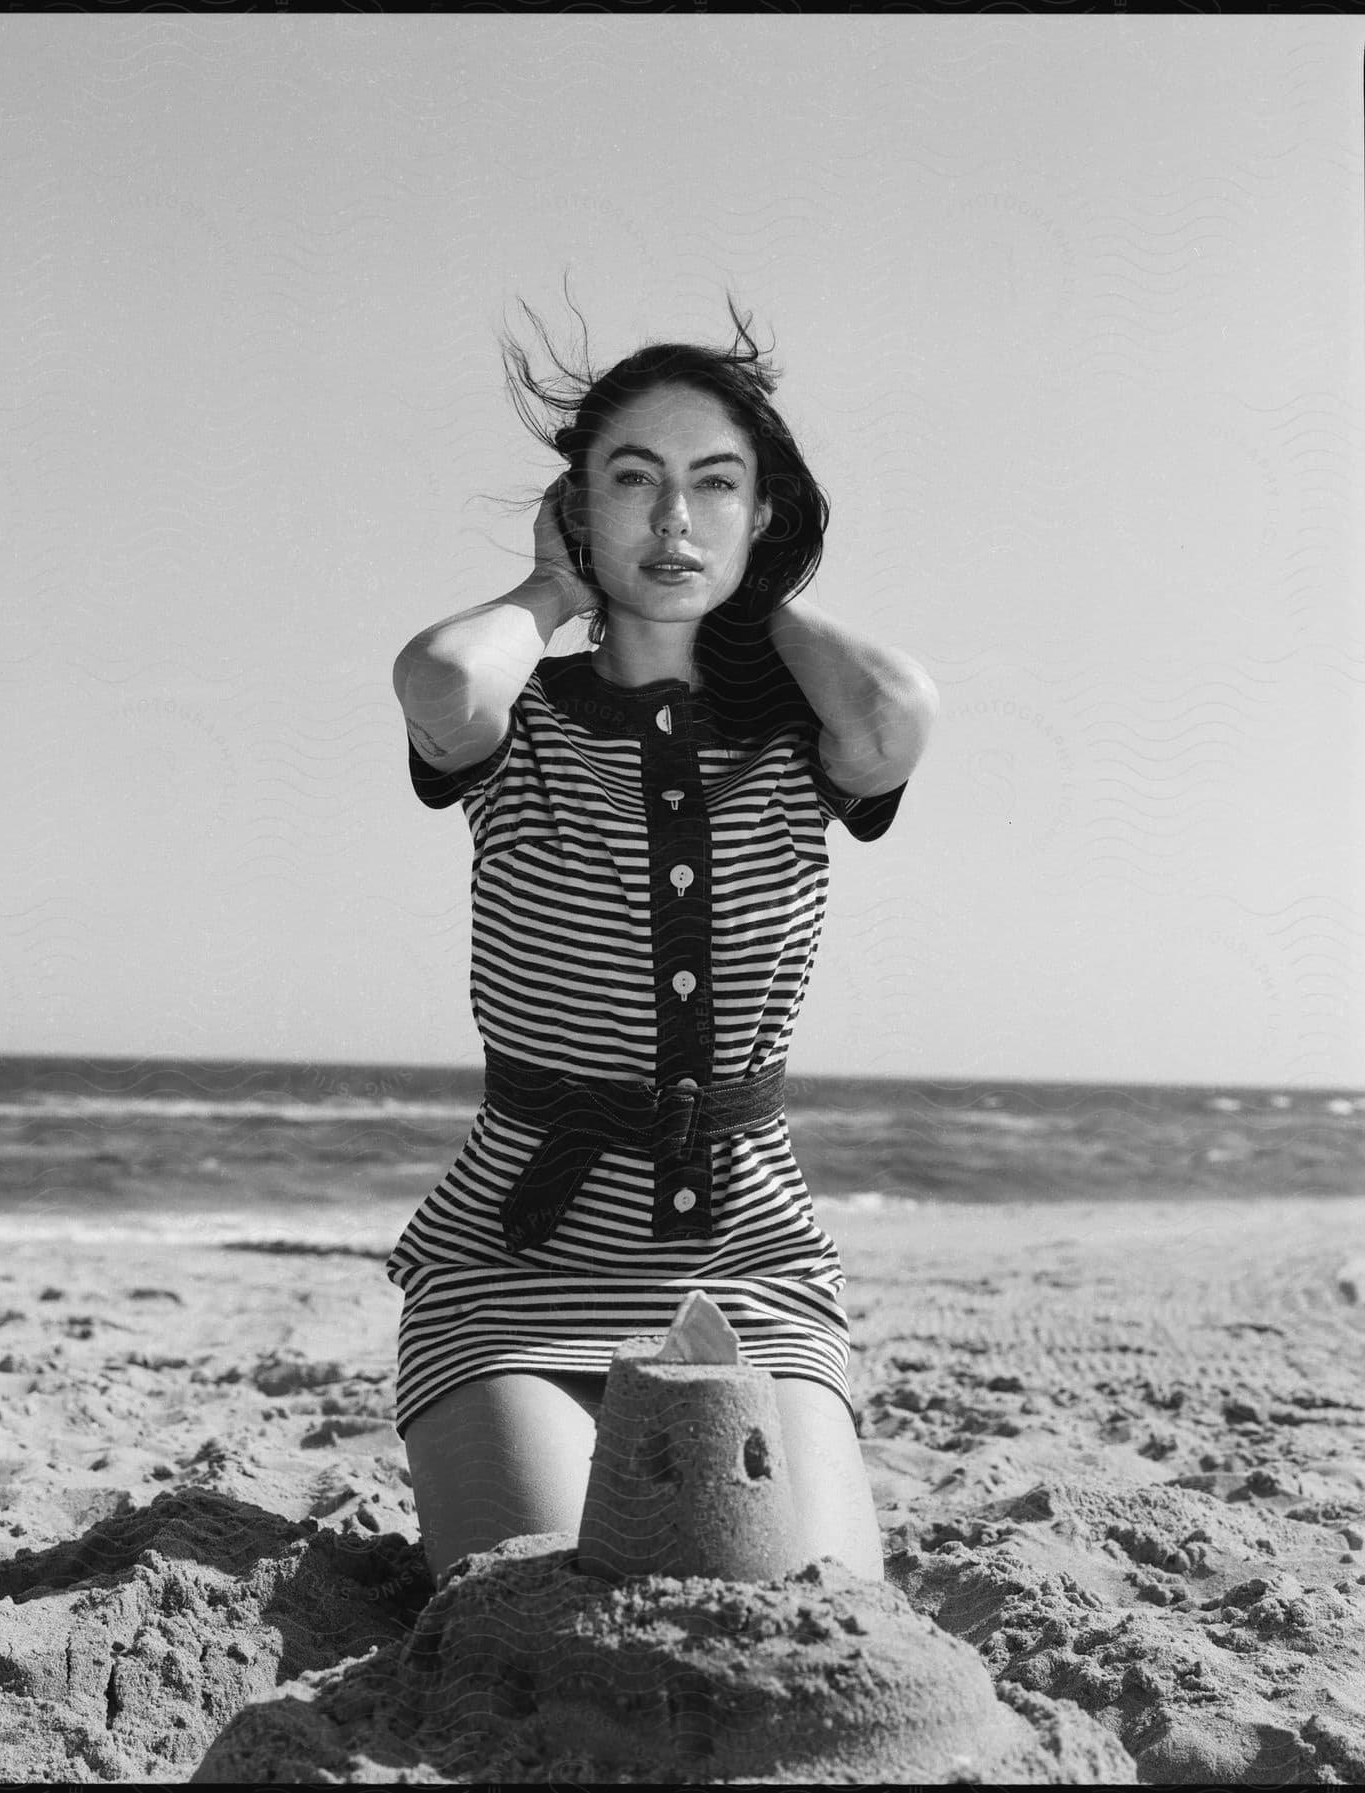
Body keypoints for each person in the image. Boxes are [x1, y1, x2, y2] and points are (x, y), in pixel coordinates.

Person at [385, 297, 940, 1591]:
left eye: (715, 486)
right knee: (549, 1611)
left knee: (816, 1609)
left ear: (762, 516)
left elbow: (897, 717)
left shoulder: (802, 735)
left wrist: (763, 602)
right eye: (633, 483)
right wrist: (549, 587)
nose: (674, 520)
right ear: (581, 511)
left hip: (750, 1257)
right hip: (517, 1266)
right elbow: (440, 686)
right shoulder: (525, 721)